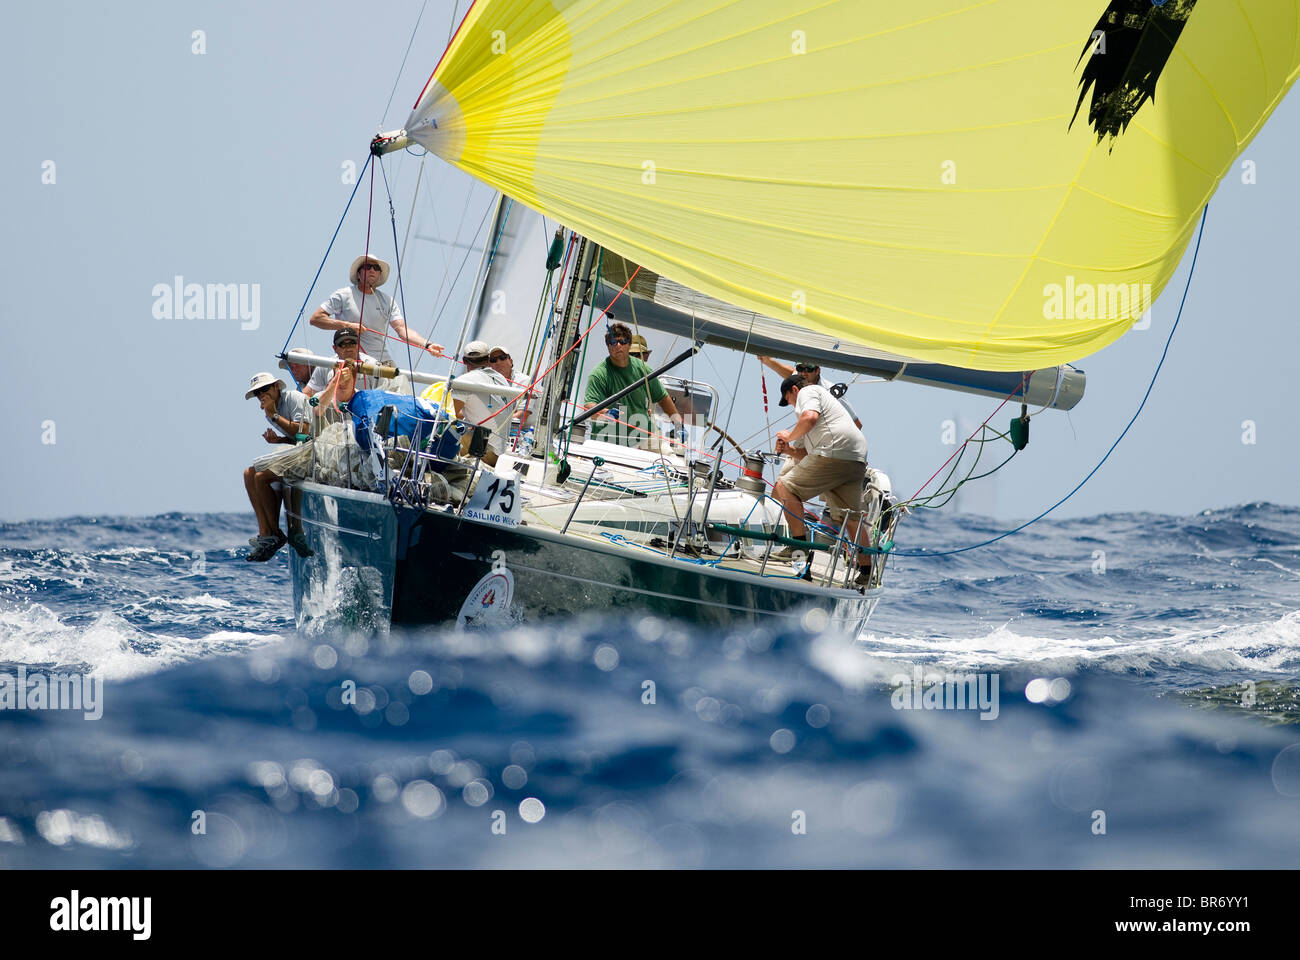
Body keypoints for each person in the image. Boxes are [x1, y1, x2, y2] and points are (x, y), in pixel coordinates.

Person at [770, 374, 870, 584]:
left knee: (783, 487)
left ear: (795, 391)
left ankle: (800, 555)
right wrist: (789, 449)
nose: (791, 406)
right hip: (855, 459)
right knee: (850, 518)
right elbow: (810, 458)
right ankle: (867, 572)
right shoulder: (830, 414)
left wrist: (789, 436)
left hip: (834, 453)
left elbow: (809, 418)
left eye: (788, 400)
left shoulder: (809, 391)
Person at [309, 255, 444, 364]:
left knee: (403, 390)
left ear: (379, 275)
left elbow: (402, 330)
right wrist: (347, 326)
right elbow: (316, 319)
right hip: (353, 362)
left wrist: (427, 345)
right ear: (359, 274)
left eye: (376, 268)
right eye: (367, 267)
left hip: (382, 362)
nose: (372, 270)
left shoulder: (387, 301)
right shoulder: (344, 294)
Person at [242, 373, 312, 561]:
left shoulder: (293, 399)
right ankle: (267, 532)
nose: (262, 394)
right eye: (257, 393)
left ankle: (274, 535)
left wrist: (274, 415)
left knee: (261, 477)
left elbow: (304, 431)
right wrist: (278, 440)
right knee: (249, 473)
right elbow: (294, 438)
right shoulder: (270, 410)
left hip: (313, 450)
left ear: (275, 387)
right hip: (299, 450)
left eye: (265, 389)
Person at [584, 322, 682, 447]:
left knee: (671, 461)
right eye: (613, 342)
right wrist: (605, 413)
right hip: (608, 440)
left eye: (622, 342)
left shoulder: (644, 370)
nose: (618, 345)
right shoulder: (598, 374)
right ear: (608, 346)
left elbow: (663, 398)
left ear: (629, 344)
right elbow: (589, 406)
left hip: (644, 437)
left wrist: (679, 426)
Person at [447, 340, 513, 466]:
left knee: (440, 430)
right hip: (501, 455)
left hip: (485, 452)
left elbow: (452, 415)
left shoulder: (464, 381)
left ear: (465, 361)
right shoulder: (502, 379)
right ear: (488, 359)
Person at [757, 357, 861, 428]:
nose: (803, 373)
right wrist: (768, 361)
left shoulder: (832, 392)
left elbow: (856, 424)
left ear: (818, 370)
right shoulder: (801, 379)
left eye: (809, 369)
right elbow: (790, 373)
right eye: (800, 368)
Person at [303, 328, 381, 397]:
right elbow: (307, 394)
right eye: (343, 345)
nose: (348, 349)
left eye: (352, 344)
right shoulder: (325, 365)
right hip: (333, 411)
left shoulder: (372, 365)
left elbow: (382, 396)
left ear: (358, 345)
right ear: (335, 348)